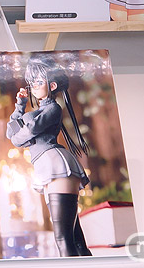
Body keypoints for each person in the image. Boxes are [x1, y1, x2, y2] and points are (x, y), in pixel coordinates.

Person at [6, 60, 91, 257]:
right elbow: (11, 132)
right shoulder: (36, 111)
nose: (34, 86)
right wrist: (20, 105)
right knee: (75, 239)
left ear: (52, 85)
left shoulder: (53, 109)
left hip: (56, 165)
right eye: (32, 82)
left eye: (38, 82)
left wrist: (19, 137)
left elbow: (27, 133)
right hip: (46, 167)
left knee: (63, 239)